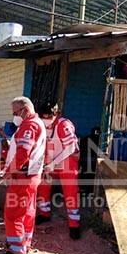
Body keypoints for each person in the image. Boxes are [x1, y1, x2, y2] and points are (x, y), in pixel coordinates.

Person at [0, 97, 47, 254]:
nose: (14, 116)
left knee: (13, 213)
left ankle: (16, 250)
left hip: (23, 177)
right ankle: (23, 243)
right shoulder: (36, 123)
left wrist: (9, 171)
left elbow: (23, 154)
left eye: (15, 112)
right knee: (27, 212)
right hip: (31, 176)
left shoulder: (30, 125)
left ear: (24, 110)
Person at [35, 101, 81, 239]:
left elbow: (71, 148)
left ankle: (74, 225)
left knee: (70, 192)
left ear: (56, 114)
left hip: (67, 160)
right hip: (50, 158)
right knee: (43, 186)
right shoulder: (40, 125)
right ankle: (44, 213)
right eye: (43, 116)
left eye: (49, 116)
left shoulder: (64, 125)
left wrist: (54, 164)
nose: (46, 120)